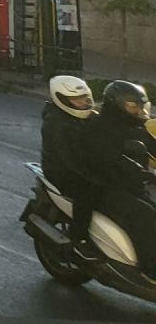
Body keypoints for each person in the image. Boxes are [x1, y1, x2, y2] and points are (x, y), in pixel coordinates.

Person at [81, 81, 156, 276]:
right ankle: (149, 267)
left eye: (140, 106)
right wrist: (141, 171)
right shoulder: (99, 127)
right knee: (144, 215)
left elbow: (151, 146)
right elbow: (108, 157)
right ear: (118, 105)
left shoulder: (135, 125)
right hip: (103, 187)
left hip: (131, 185)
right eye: (133, 106)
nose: (139, 110)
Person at [40, 75, 99, 256]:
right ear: (62, 100)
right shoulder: (56, 123)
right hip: (61, 171)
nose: (82, 102)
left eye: (84, 98)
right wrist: (92, 175)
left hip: (83, 166)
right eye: (76, 99)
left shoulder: (88, 117)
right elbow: (67, 158)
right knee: (87, 194)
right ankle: (79, 238)